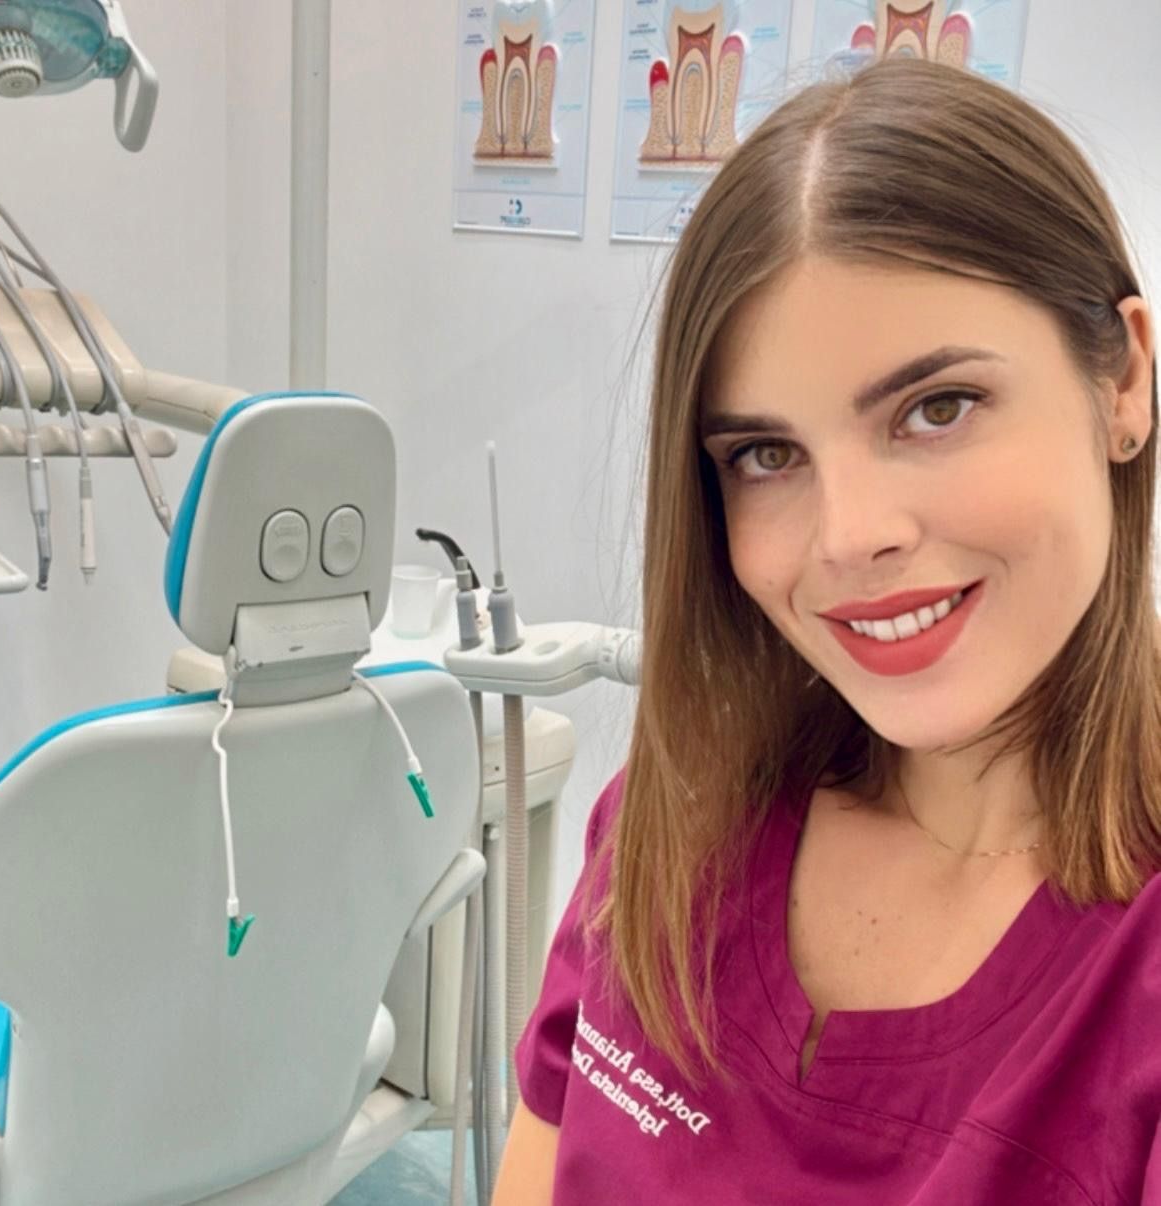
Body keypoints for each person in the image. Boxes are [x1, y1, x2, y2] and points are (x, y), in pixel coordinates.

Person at [493, 56, 1161, 1204]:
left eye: (937, 408)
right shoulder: (672, 828)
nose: (850, 539)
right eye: (767, 455)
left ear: (1125, 383)